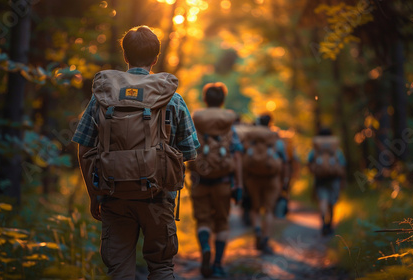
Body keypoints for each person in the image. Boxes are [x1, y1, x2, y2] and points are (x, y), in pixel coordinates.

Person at [72, 26, 200, 279]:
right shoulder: (172, 99)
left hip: (113, 194)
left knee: (119, 268)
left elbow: (84, 145)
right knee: (161, 267)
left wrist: (94, 194)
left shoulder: (104, 96)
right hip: (158, 197)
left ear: (125, 56)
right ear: (155, 58)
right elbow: (189, 152)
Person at [188, 82, 243, 278]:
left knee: (202, 220)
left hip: (199, 181)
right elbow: (236, 155)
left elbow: (187, 150)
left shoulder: (196, 122)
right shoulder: (228, 125)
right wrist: (239, 184)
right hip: (223, 181)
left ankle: (204, 247)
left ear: (205, 99)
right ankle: (218, 264)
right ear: (222, 101)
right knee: (222, 222)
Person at [243, 114, 288, 254]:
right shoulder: (275, 139)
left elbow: (242, 157)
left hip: (252, 178)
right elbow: (284, 161)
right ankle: (266, 239)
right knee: (269, 210)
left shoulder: (250, 138)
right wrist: (285, 180)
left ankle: (257, 230)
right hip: (272, 178)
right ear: (270, 123)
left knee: (255, 208)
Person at [307, 127, 346, 236]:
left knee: (323, 201)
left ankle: (324, 222)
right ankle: (330, 225)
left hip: (320, 179)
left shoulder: (316, 149)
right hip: (334, 179)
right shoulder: (336, 150)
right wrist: (343, 181)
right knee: (332, 203)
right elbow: (342, 164)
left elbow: (309, 163)